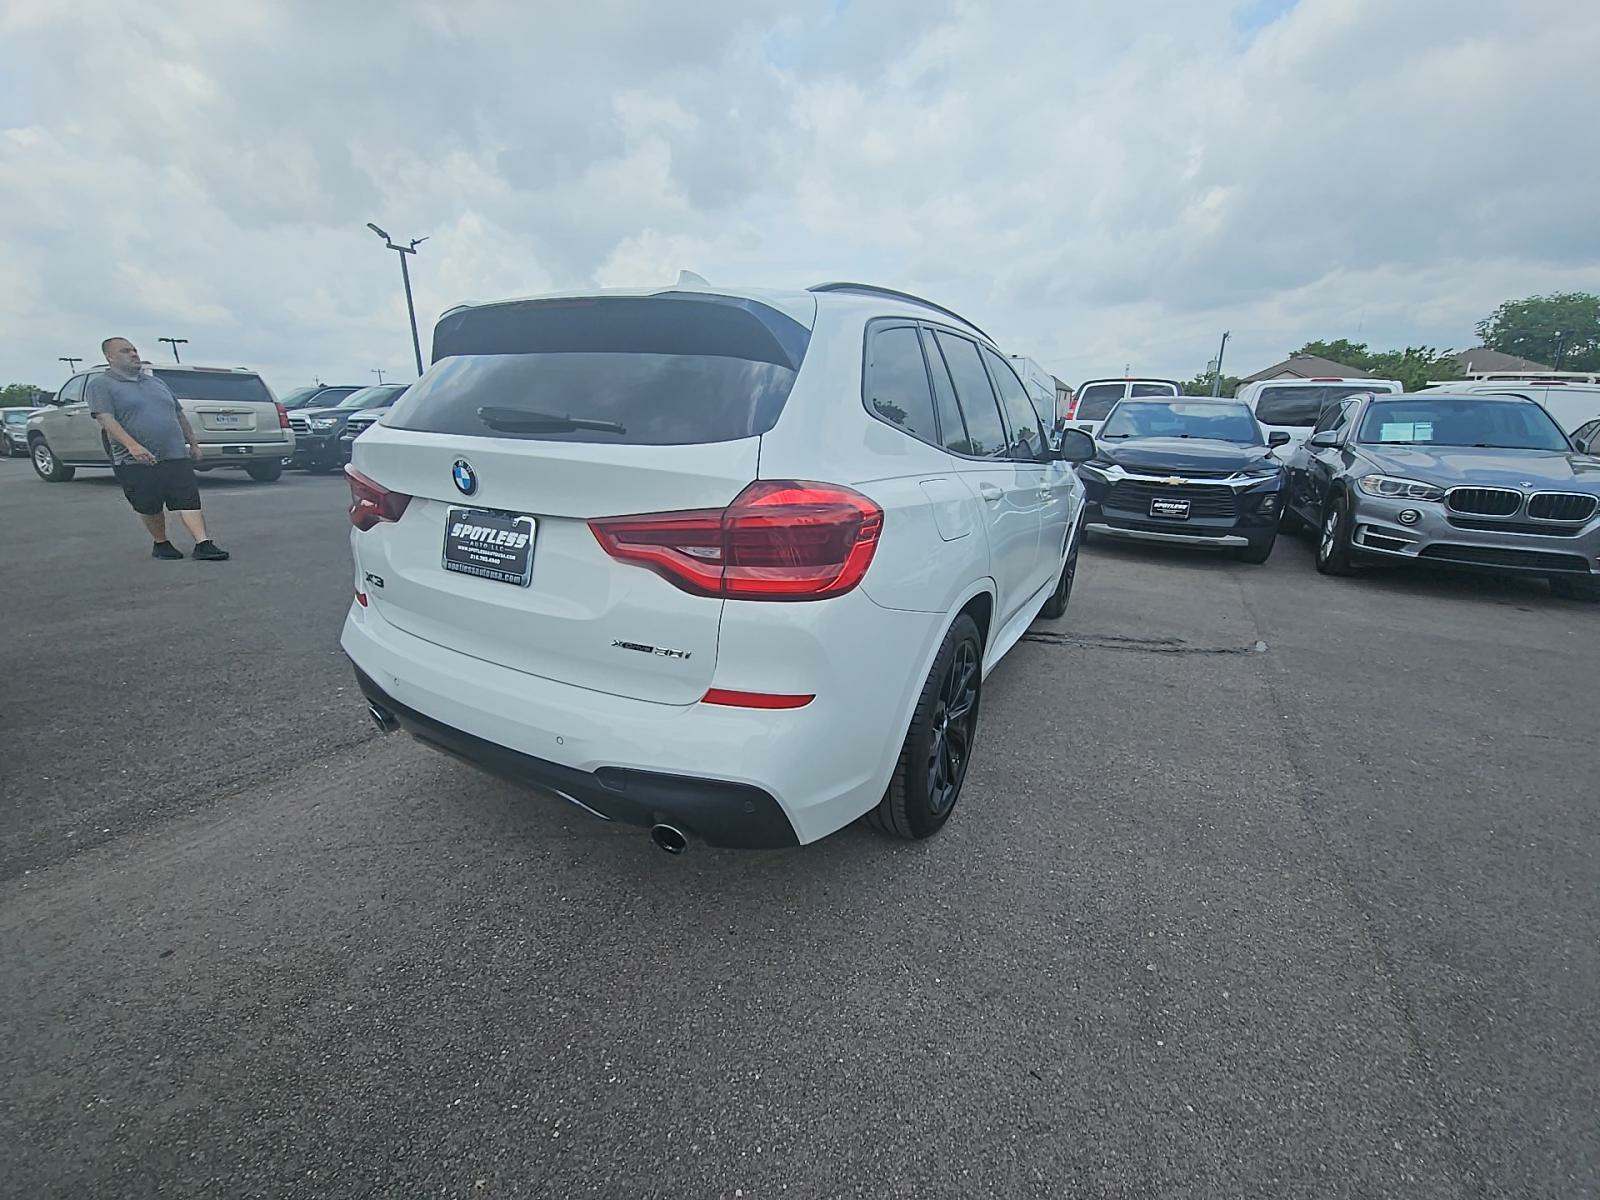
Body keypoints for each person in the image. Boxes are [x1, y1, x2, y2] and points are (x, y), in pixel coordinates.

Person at [86, 337, 229, 561]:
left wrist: (192, 443)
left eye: (134, 349)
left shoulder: (156, 383)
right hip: (135, 460)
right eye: (125, 351)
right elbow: (106, 418)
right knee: (149, 504)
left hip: (174, 454)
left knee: (188, 499)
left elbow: (178, 413)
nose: (133, 354)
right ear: (110, 357)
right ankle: (161, 543)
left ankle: (203, 543)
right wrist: (132, 445)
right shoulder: (101, 385)